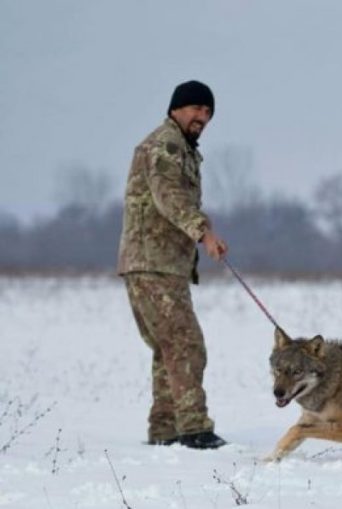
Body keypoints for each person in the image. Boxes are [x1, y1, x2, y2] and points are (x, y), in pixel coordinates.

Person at [117, 80, 229, 449]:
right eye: (196, 108)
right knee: (186, 344)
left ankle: (164, 431)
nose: (203, 117)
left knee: (168, 347)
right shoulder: (165, 145)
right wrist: (202, 232)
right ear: (176, 109)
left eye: (208, 112)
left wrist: (204, 225)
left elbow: (174, 201)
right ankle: (194, 428)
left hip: (160, 264)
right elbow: (169, 198)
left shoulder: (181, 148)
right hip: (154, 264)